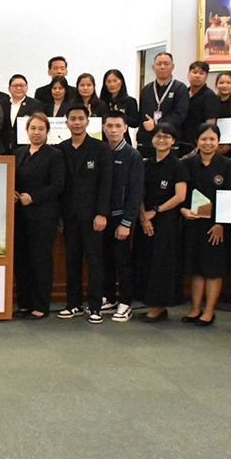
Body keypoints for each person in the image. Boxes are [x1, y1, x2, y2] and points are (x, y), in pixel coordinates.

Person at [55, 104, 112, 323]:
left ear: (88, 121)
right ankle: (73, 304)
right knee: (72, 260)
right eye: (73, 119)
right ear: (66, 122)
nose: (77, 123)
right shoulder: (61, 148)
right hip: (69, 216)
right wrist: (60, 215)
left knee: (95, 261)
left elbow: (106, 184)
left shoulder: (100, 148)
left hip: (93, 216)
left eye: (81, 118)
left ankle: (96, 306)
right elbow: (61, 185)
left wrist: (102, 213)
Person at [179, 123, 231, 326]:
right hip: (193, 223)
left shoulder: (228, 166)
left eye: (212, 139)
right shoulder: (187, 163)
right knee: (196, 268)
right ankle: (195, 308)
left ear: (218, 141)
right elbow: (182, 194)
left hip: (215, 227)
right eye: (203, 139)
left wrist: (221, 224)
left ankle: (209, 311)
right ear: (197, 141)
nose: (208, 143)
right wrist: (183, 210)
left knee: (213, 269)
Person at [13, 112, 66, 319]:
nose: (36, 133)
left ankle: (40, 305)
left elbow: (58, 186)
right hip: (19, 216)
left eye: (41, 129)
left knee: (40, 260)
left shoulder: (54, 155)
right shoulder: (18, 153)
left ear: (47, 132)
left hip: (44, 216)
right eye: (33, 128)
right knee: (22, 260)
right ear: (27, 131)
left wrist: (32, 198)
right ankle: (24, 304)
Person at [134, 122, 188, 322]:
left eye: (167, 136)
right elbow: (138, 191)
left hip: (166, 221)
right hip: (144, 219)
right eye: (158, 136)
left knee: (162, 263)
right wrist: (143, 215)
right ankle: (150, 303)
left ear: (173, 141)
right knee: (146, 260)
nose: (162, 139)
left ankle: (160, 306)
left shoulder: (178, 165)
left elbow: (180, 196)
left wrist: (155, 212)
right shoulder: (146, 164)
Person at [101, 111, 144, 322]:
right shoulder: (101, 151)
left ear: (125, 127)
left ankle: (126, 302)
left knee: (122, 262)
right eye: (109, 126)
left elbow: (136, 192)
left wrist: (127, 222)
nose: (113, 130)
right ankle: (109, 297)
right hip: (103, 217)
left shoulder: (132, 156)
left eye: (118, 126)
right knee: (105, 260)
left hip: (121, 219)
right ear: (103, 127)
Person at [137, 52, 189, 158]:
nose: (162, 67)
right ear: (153, 67)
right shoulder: (146, 89)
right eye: (159, 64)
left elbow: (180, 114)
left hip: (170, 140)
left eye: (166, 63)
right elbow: (142, 115)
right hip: (148, 141)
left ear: (173, 66)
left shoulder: (180, 88)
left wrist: (156, 123)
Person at [181, 61, 220, 147]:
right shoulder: (183, 93)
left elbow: (210, 123)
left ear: (206, 77)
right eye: (194, 72)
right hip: (181, 140)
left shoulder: (209, 96)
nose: (197, 76)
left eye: (201, 73)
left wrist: (203, 143)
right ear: (188, 74)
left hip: (198, 143)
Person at [99, 69, 140, 145]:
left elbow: (135, 123)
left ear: (121, 82)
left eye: (115, 81)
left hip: (123, 141)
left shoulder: (130, 101)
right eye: (109, 81)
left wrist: (121, 116)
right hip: (103, 141)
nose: (112, 84)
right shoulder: (101, 102)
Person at [3, 73, 43, 152]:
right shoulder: (2, 104)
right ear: (9, 88)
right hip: (4, 148)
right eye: (15, 86)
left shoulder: (35, 104)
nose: (18, 88)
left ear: (27, 88)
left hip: (25, 148)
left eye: (22, 85)